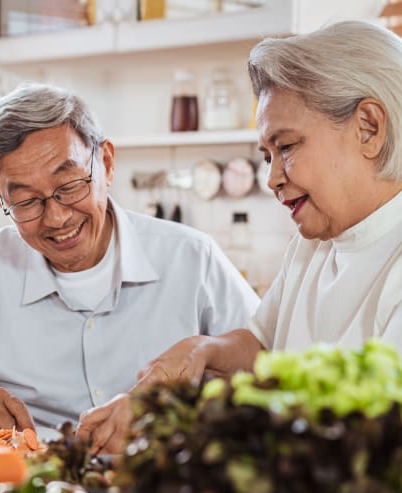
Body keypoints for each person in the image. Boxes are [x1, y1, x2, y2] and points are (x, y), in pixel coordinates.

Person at [78, 20, 402, 452]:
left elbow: (370, 441)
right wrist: (203, 351)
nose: (272, 178)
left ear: (368, 127)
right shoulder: (313, 243)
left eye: (286, 147)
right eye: (266, 156)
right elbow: (264, 348)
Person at [0, 82, 258, 436]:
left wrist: (183, 396)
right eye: (26, 201)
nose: (57, 217)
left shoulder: (191, 257)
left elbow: (270, 361)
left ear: (105, 163)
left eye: (69, 185)